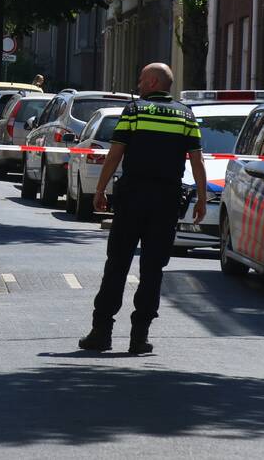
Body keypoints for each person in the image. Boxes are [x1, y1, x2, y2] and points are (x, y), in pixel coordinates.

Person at [78, 62, 206, 354]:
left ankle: (101, 332)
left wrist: (100, 189)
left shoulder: (135, 111)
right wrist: (201, 198)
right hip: (166, 201)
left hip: (132, 198)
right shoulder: (186, 115)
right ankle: (139, 338)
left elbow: (115, 154)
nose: (138, 84)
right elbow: (197, 161)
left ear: (152, 82)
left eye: (141, 80)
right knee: (153, 269)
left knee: (117, 264)